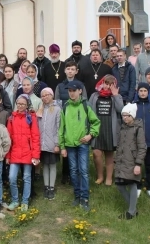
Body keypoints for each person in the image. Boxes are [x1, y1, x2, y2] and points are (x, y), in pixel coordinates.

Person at [59, 81, 100, 212]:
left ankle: (85, 198)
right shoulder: (65, 107)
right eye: (69, 91)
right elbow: (61, 128)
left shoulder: (85, 105)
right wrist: (62, 147)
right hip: (70, 145)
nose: (71, 93)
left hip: (82, 144)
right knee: (73, 171)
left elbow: (96, 122)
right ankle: (77, 196)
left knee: (83, 171)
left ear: (80, 91)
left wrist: (90, 135)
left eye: (74, 90)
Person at [6, 94, 40, 212]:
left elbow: (35, 137)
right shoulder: (11, 118)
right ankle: (15, 200)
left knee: (26, 177)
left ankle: (25, 201)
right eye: (18, 104)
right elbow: (8, 139)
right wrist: (8, 156)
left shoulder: (31, 118)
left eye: (23, 104)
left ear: (27, 105)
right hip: (15, 152)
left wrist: (36, 155)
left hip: (28, 153)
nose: (20, 106)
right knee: (12, 177)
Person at [89, 75, 123, 186]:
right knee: (96, 153)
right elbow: (89, 111)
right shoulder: (94, 96)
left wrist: (116, 95)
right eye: (106, 83)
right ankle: (100, 176)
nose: (108, 86)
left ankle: (109, 178)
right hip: (97, 128)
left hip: (110, 128)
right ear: (102, 83)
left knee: (109, 155)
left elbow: (121, 110)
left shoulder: (116, 97)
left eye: (111, 84)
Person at [115, 103, 146, 220]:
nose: (125, 118)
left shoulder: (138, 129)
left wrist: (138, 164)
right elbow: (120, 145)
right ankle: (133, 208)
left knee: (132, 183)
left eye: (127, 115)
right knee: (119, 184)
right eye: (123, 115)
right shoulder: (123, 128)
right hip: (121, 161)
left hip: (132, 162)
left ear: (132, 115)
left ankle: (131, 212)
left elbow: (142, 147)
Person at [36, 88, 61, 200]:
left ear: (52, 96)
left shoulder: (57, 109)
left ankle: (51, 187)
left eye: (47, 95)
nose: (45, 97)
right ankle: (46, 186)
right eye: (43, 95)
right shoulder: (40, 110)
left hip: (52, 143)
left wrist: (57, 143)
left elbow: (59, 127)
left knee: (52, 165)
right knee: (45, 165)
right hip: (42, 143)